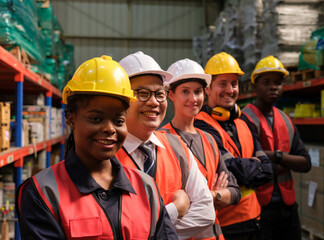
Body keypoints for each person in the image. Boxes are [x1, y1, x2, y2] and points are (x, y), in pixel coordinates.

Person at [16, 55, 178, 240]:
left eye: (118, 121)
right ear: (71, 118)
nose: (110, 129)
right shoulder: (42, 192)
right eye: (96, 119)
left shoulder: (146, 188)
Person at [115, 51, 215, 239]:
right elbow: (113, 229)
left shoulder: (177, 147)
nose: (154, 102)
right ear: (121, 98)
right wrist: (175, 210)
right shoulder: (106, 156)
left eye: (160, 94)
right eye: (143, 93)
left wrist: (148, 230)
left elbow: (205, 214)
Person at [159, 58, 241, 240]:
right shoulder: (160, 141)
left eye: (197, 92)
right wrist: (218, 196)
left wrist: (207, 196)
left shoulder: (209, 140)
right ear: (171, 95)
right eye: (185, 92)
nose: (193, 99)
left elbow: (235, 192)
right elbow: (166, 202)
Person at [194, 52, 273, 240]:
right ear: (208, 88)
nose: (230, 90)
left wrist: (246, 167)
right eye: (223, 84)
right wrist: (254, 166)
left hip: (254, 218)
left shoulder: (243, 123)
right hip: (225, 225)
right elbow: (230, 169)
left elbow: (268, 170)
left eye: (234, 84)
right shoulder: (200, 126)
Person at [241, 55, 312, 240]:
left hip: (288, 207)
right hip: (258, 207)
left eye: (278, 83)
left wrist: (276, 155)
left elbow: (305, 163)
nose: (273, 86)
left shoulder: (286, 121)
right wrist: (285, 164)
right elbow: (247, 166)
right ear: (255, 85)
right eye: (267, 82)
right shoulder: (244, 119)